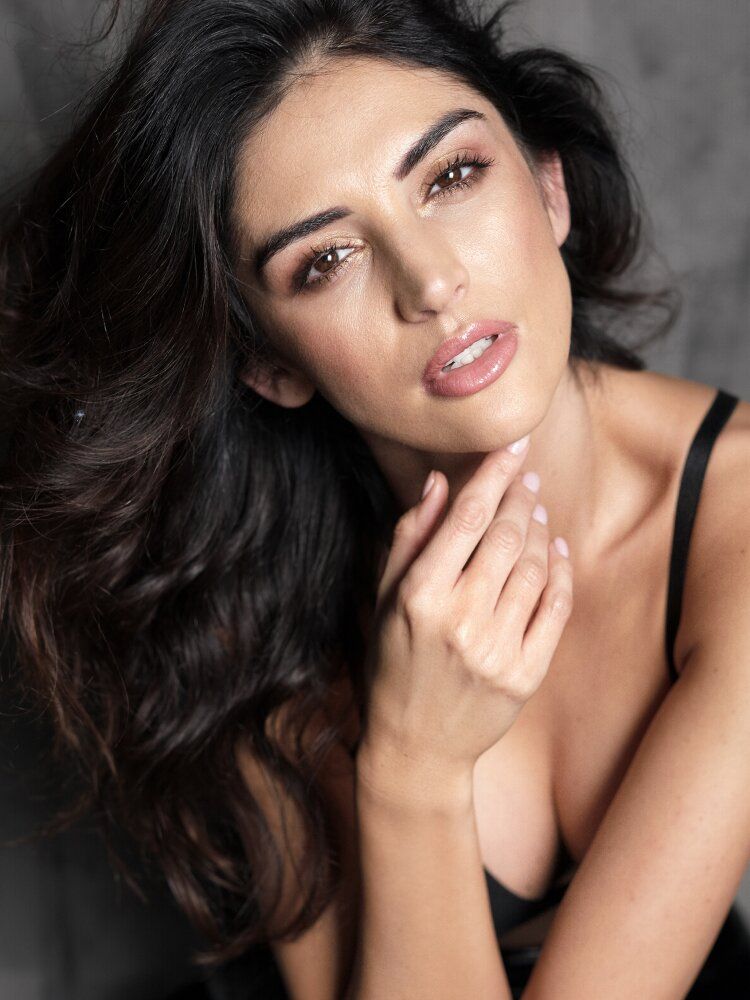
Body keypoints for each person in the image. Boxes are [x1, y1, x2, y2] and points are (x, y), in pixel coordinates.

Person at [1, 0, 749, 997]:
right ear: (270, 366)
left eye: (452, 176)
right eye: (324, 261)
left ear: (549, 186)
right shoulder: (241, 604)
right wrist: (413, 767)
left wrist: (409, 771)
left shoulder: (737, 517)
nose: (430, 282)